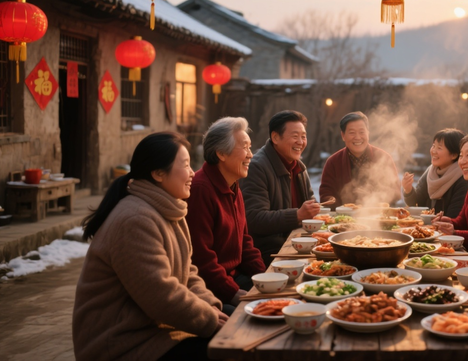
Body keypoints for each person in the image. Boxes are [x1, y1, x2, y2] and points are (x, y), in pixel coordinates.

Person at [74, 132, 228, 361]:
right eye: (185, 165)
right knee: (227, 349)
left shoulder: (169, 209)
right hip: (122, 343)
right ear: (158, 173)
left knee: (235, 325)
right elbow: (161, 295)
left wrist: (212, 307)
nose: (191, 174)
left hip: (157, 330)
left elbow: (188, 272)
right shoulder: (135, 219)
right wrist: (210, 319)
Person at [186, 117, 266, 316]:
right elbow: (201, 259)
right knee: (254, 316)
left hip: (234, 277)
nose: (250, 155)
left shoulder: (233, 185)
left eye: (250, 147)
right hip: (209, 288)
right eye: (245, 148)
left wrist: (265, 278)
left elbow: (245, 242)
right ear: (221, 153)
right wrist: (234, 293)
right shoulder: (200, 189)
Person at [241, 110, 319, 266]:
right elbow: (254, 219)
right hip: (269, 251)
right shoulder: (257, 167)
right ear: (275, 137)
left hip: (296, 243)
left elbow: (309, 201)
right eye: (295, 136)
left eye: (303, 137)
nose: (301, 142)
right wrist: (297, 215)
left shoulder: (298, 166)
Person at [320, 111, 401, 206]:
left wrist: (374, 197)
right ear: (343, 136)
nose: (357, 137)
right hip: (344, 217)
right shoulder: (333, 162)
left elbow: (395, 192)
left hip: (378, 216)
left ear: (368, 134)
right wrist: (342, 203)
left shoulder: (383, 158)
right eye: (352, 133)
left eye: (362, 132)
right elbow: (325, 194)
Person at [402, 128, 468, 218]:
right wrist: (408, 189)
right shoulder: (430, 172)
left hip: (447, 230)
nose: (433, 151)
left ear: (454, 155)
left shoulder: (463, 178)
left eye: (439, 148)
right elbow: (417, 204)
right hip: (428, 228)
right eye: (433, 146)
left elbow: (454, 217)